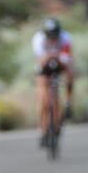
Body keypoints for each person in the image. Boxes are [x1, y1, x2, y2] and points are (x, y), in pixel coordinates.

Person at [32, 17, 75, 145]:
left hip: (60, 63)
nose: (52, 38)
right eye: (49, 36)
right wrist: (54, 55)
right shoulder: (38, 39)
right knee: (42, 98)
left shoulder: (66, 38)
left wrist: (56, 57)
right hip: (45, 66)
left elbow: (66, 59)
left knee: (70, 73)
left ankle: (68, 101)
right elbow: (41, 60)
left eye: (54, 35)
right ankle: (43, 129)